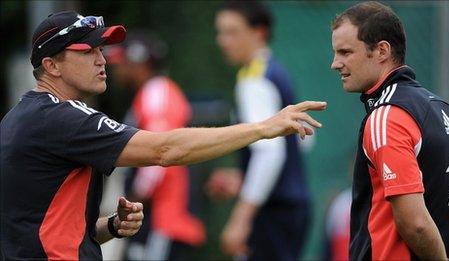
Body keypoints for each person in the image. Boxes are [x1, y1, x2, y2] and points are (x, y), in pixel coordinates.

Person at [0, 10, 326, 260]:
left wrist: (111, 226)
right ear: (52, 66)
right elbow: (164, 150)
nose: (103, 61)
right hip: (168, 225)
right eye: (88, 52)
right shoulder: (60, 118)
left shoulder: (19, 119)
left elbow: (42, 232)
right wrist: (262, 129)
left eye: (102, 50)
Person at [330, 2, 449, 260]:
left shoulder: (387, 116)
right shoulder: (442, 109)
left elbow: (415, 222)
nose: (335, 63)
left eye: (345, 52)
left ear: (381, 51)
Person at [213, 1, 313, 260]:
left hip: (273, 212)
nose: (223, 41)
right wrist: (244, 178)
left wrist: (240, 219)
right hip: (292, 207)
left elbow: (270, 154)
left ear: (259, 32)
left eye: (232, 32)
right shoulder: (276, 72)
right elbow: (303, 141)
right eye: (220, 32)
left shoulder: (254, 80)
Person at [106, 31, 205, 260]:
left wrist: (134, 199)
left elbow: (159, 152)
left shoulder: (156, 93)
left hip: (165, 219)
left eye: (122, 62)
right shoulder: (154, 92)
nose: (115, 69)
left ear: (139, 63)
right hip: (164, 219)